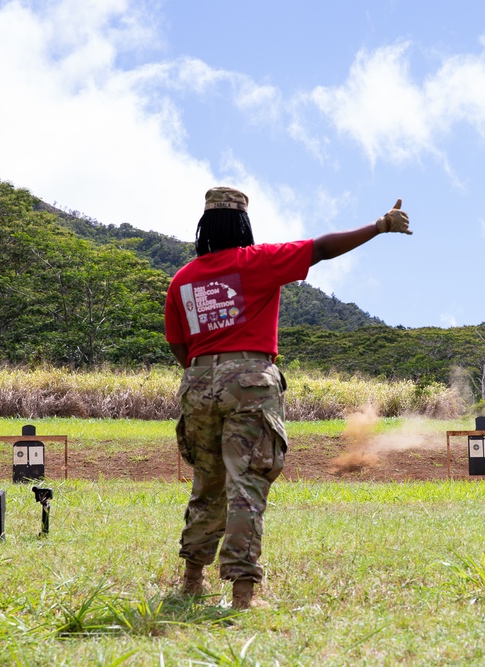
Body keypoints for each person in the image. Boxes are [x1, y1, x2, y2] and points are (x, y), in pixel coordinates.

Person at [165, 187, 411, 609]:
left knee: (207, 482)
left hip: (197, 379)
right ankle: (242, 593)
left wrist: (205, 371)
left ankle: (192, 580)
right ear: (244, 225)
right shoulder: (256, 262)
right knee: (248, 485)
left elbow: (177, 344)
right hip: (249, 381)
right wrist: (380, 225)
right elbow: (321, 249)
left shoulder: (183, 279)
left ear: (204, 226)